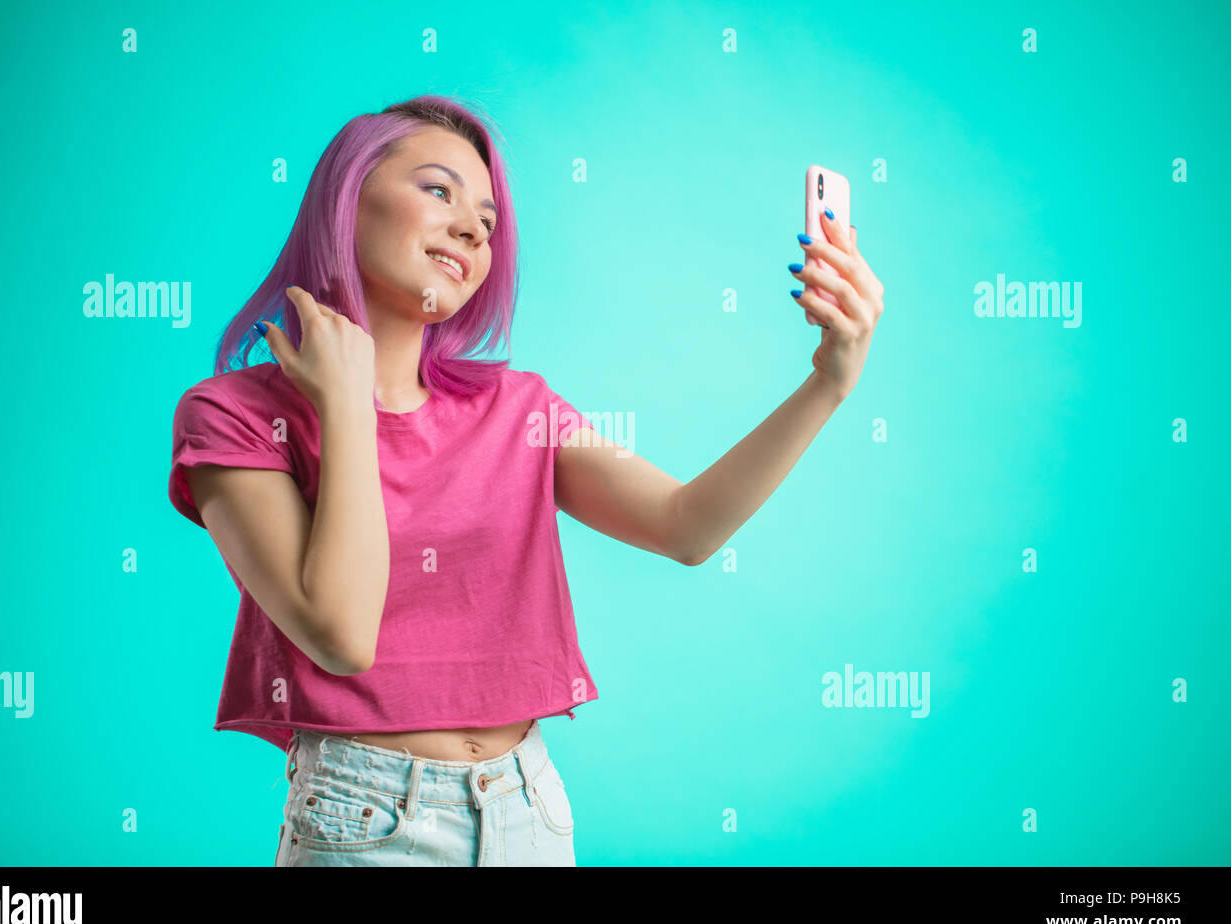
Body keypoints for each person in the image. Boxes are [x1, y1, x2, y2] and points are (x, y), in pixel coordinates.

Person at [167, 94, 885, 866]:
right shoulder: (234, 417)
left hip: (530, 809)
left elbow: (688, 527)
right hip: (365, 820)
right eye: (438, 190)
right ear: (346, 198)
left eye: (487, 216)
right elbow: (340, 634)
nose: (474, 227)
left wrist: (828, 382)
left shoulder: (520, 409)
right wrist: (347, 407)